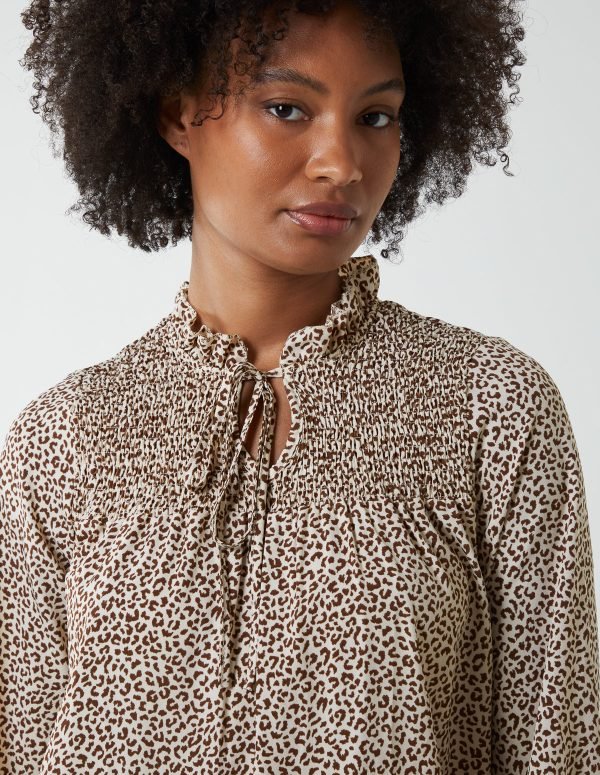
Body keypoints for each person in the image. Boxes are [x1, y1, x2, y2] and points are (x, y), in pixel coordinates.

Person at [1, 0, 599, 771]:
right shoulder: (63, 438)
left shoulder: (490, 407)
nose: (341, 163)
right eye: (287, 108)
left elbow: (557, 747)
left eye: (376, 117)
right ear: (179, 114)